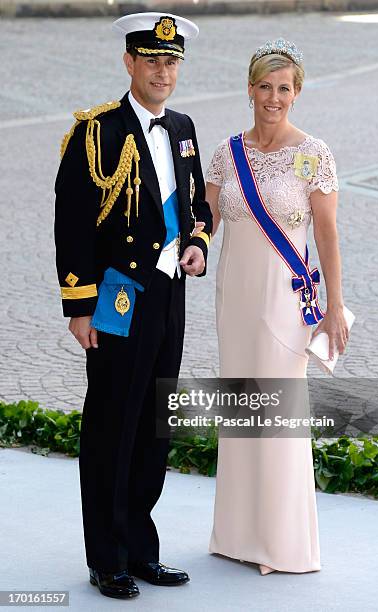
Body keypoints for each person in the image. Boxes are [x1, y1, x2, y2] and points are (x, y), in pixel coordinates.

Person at [54, 12, 212, 599]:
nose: (162, 71)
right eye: (152, 61)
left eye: (171, 62)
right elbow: (71, 224)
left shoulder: (184, 127)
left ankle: (143, 548)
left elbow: (198, 205)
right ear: (129, 62)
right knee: (112, 427)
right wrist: (79, 304)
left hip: (171, 294)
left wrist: (196, 242)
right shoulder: (97, 132)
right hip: (119, 297)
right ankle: (107, 556)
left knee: (154, 428)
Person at [205, 38, 348, 574]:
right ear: (249, 90)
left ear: (297, 92)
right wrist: (185, 251)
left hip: (285, 305)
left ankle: (281, 545)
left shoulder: (314, 154)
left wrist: (335, 307)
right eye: (264, 86)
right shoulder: (226, 152)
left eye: (283, 88)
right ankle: (238, 535)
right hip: (235, 301)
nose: (273, 97)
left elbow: (328, 236)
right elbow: (206, 221)